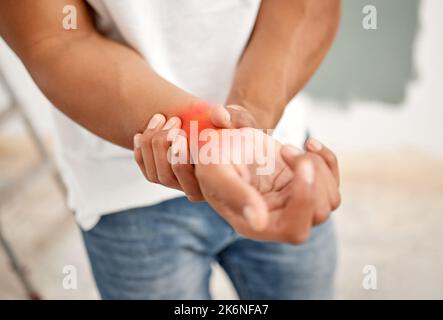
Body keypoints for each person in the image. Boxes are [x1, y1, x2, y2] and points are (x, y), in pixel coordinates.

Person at [0, 0, 341, 299]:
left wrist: (247, 127)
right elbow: (54, 38)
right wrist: (208, 138)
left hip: (276, 164)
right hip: (125, 191)